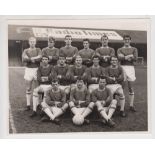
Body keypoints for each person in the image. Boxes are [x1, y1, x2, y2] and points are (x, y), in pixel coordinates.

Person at [117, 35, 138, 112]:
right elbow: (119, 58)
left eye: (128, 40)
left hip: (131, 68)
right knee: (121, 87)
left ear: (130, 40)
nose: (126, 41)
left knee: (130, 87)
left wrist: (124, 56)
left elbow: (135, 58)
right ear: (123, 40)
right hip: (122, 67)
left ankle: (131, 105)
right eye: (125, 40)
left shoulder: (134, 49)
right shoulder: (119, 49)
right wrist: (130, 56)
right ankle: (120, 104)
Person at [22, 37, 42, 111]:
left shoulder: (38, 49)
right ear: (29, 42)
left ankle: (37, 104)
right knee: (28, 88)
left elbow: (40, 58)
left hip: (36, 69)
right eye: (31, 41)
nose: (32, 43)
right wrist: (33, 59)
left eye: (33, 41)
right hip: (28, 70)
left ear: (35, 42)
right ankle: (28, 105)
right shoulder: (26, 50)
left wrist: (30, 58)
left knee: (36, 88)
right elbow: (24, 58)